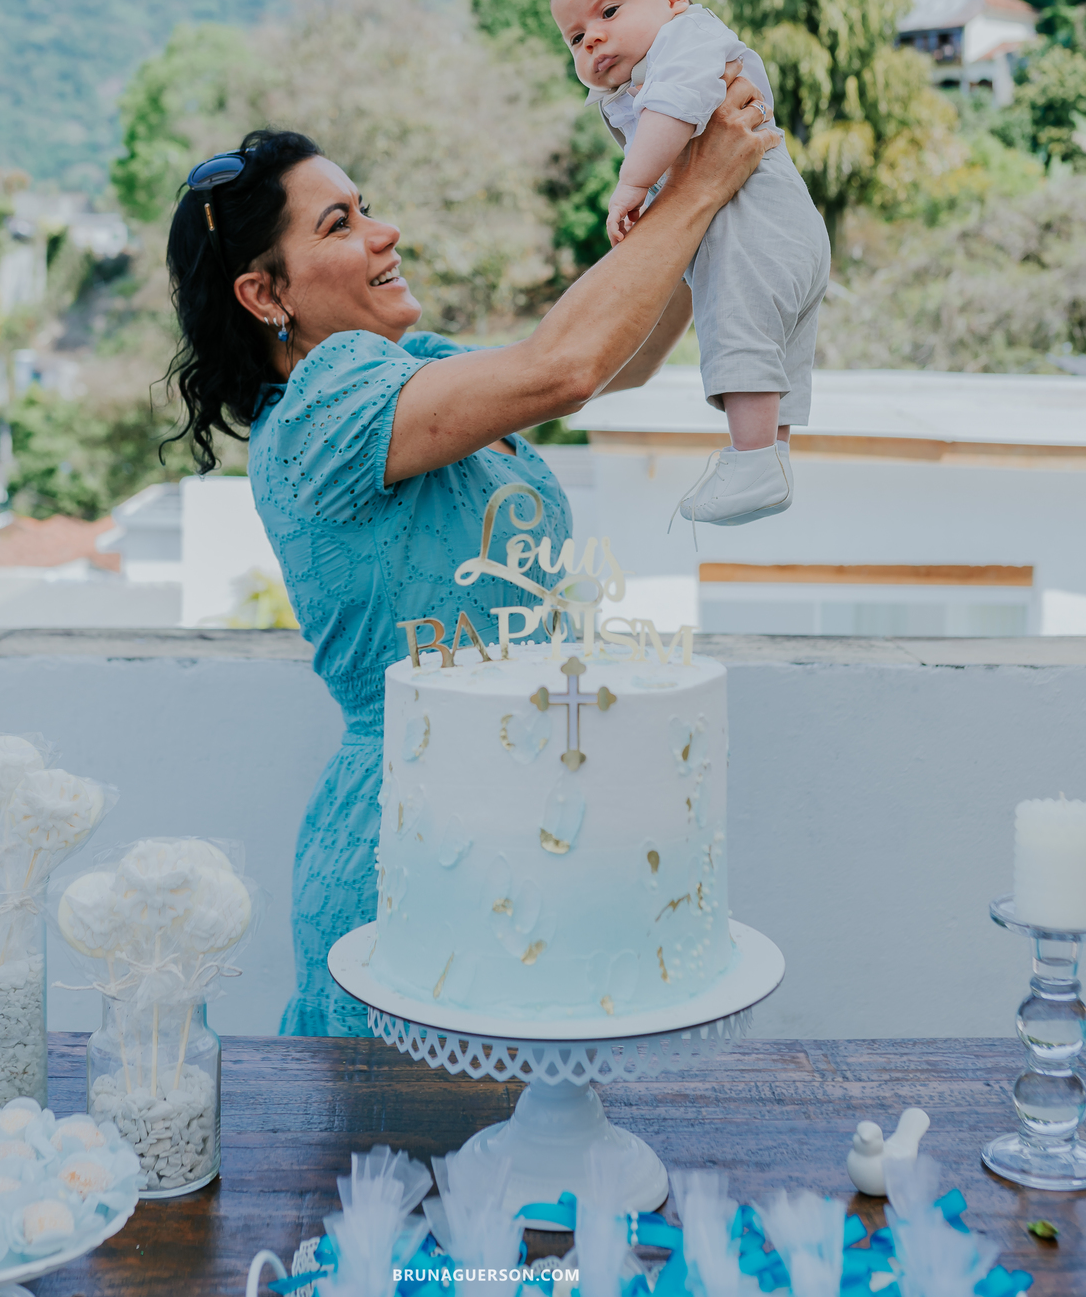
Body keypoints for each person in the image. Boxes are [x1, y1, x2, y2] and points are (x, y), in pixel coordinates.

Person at [163, 87, 776, 1035]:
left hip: (531, 812)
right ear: (264, 292)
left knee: (528, 1147)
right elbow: (561, 366)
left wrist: (704, 205)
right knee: (415, 1160)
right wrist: (698, 188)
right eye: (340, 223)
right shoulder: (325, 411)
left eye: (366, 207)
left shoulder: (411, 367)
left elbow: (614, 361)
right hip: (410, 840)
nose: (383, 232)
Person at [549, 0, 831, 531]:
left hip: (755, 226)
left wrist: (630, 186)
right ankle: (772, 459)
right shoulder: (645, 70)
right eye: (575, 37)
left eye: (609, 11)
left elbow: (675, 109)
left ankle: (751, 458)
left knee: (738, 329)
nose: (592, 36)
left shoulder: (686, 39)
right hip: (785, 227)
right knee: (776, 351)